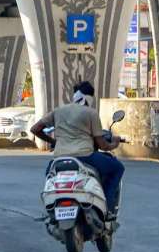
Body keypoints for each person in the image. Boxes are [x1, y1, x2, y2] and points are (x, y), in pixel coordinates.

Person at [30, 81, 124, 218]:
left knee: (49, 177)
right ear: (89, 98)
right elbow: (102, 145)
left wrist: (53, 142)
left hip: (59, 158)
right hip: (85, 156)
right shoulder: (90, 113)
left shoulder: (58, 111)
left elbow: (35, 129)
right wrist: (115, 143)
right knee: (117, 168)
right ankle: (108, 209)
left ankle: (50, 210)